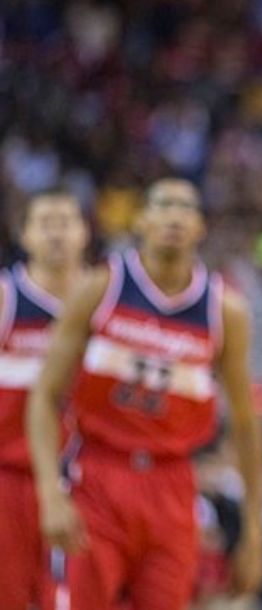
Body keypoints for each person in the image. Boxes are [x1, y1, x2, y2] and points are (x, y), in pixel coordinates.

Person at [27, 178, 262, 610]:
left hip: (172, 483)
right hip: (97, 473)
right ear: (143, 220)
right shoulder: (100, 288)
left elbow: (247, 424)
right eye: (163, 205)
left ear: (201, 226)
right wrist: (49, 490)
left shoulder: (225, 311)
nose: (174, 215)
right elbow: (44, 396)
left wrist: (253, 528)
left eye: (185, 207)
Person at [0, 190, 89, 610]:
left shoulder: (103, 302)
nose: (56, 233)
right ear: (25, 235)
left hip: (89, 479)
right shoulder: (6, 297)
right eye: (45, 222)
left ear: (84, 233)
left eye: (65, 221)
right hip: (11, 478)